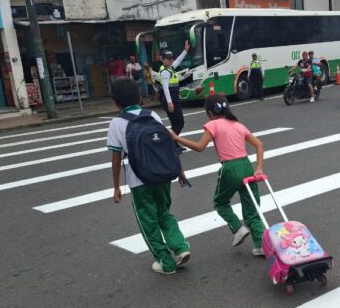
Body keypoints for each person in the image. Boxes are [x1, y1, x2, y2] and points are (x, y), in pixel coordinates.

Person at [107, 78, 191, 275]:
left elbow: (116, 157)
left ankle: (165, 262)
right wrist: (180, 171)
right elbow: (167, 145)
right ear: (139, 97)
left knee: (148, 221)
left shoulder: (117, 123)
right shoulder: (152, 114)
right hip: (162, 174)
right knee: (165, 213)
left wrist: (116, 186)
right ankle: (180, 247)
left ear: (116, 102)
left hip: (139, 180)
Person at [172, 94, 266, 257]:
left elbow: (200, 147)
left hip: (230, 168)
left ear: (209, 112)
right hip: (246, 165)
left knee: (220, 203)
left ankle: (237, 228)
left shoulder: (212, 124)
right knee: (252, 209)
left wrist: (176, 138)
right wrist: (259, 168)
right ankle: (261, 245)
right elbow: (259, 144)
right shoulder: (237, 124)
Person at [159, 42, 191, 135]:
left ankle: (174, 143)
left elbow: (178, 61)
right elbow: (165, 88)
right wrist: (170, 103)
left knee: (178, 123)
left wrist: (185, 51)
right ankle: (173, 142)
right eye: (168, 59)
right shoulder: (165, 71)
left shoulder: (170, 68)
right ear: (162, 59)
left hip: (174, 98)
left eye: (171, 58)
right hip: (170, 99)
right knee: (178, 123)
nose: (170, 61)